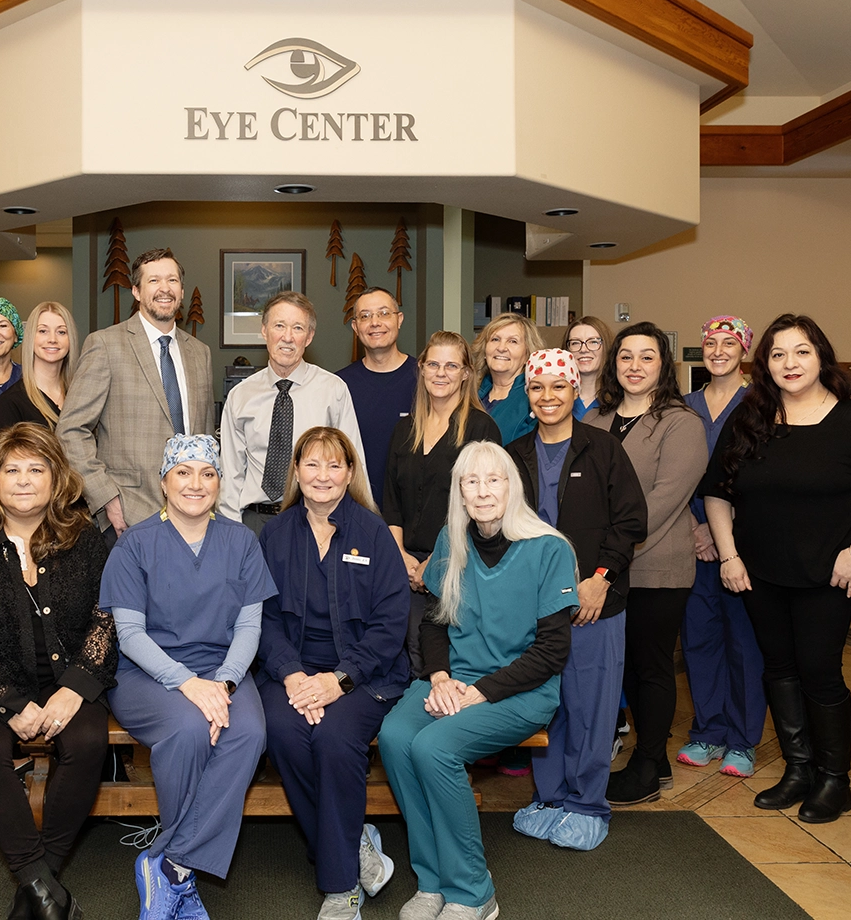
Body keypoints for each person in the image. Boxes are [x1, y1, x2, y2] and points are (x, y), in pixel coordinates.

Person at [702, 314, 851, 823]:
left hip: (828, 577)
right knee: (778, 670)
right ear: (765, 366)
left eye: (801, 351)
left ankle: (833, 780)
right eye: (778, 354)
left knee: (820, 674)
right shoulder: (750, 419)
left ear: (821, 356)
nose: (789, 363)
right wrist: (730, 554)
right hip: (759, 575)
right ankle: (798, 769)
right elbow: (716, 492)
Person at [379, 441, 576, 920]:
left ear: (512, 486)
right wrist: (442, 677)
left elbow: (552, 651)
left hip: (520, 690)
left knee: (435, 748)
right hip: (454, 678)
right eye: (472, 481)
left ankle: (473, 892)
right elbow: (433, 620)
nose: (483, 491)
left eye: (494, 479)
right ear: (460, 492)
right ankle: (432, 882)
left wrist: (479, 693)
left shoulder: (550, 548)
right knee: (396, 737)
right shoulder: (453, 538)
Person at [0, 423, 115, 920]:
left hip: (68, 683)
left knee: (87, 744)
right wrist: (10, 702)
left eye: (37, 469)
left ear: (57, 479)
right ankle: (45, 889)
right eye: (11, 469)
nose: (24, 480)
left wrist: (74, 689)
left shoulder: (84, 540)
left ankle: (37, 884)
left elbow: (108, 618)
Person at [100, 434, 278, 920]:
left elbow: (249, 626)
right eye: (183, 472)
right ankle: (182, 872)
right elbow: (130, 634)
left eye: (207, 473)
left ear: (220, 484)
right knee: (186, 730)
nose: (195, 483)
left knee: (248, 732)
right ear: (164, 482)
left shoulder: (241, 541)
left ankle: (172, 866)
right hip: (147, 674)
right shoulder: (135, 543)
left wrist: (223, 683)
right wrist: (187, 683)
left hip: (226, 672)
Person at [258, 426, 410, 920]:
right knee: (282, 730)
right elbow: (260, 617)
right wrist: (293, 675)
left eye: (334, 465)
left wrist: (338, 681)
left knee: (333, 740)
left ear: (349, 473)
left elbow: (390, 627)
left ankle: (341, 885)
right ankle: (352, 842)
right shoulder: (276, 533)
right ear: (296, 472)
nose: (322, 476)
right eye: (312, 465)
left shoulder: (373, 533)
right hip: (292, 674)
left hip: (366, 675)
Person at [507, 349, 647, 850]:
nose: (548, 396)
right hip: (535, 604)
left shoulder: (603, 448)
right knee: (546, 703)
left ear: (574, 392)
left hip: (594, 602)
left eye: (558, 387)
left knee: (590, 704)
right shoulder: (515, 453)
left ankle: (588, 803)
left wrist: (601, 578)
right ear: (528, 395)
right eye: (538, 387)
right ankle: (549, 798)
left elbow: (630, 520)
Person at [585, 322, 708, 805]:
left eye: (647, 357)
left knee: (652, 665)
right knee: (626, 669)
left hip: (656, 565)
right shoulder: (596, 419)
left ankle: (647, 762)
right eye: (626, 357)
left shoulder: (681, 422)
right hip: (605, 568)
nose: (634, 366)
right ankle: (653, 760)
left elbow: (664, 501)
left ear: (664, 365)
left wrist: (608, 550)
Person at [58, 248, 215, 540]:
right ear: (136, 291)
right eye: (154, 281)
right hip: (128, 516)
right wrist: (107, 499)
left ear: (181, 291)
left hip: (191, 514)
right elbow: (70, 430)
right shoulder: (105, 344)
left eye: (172, 280)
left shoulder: (200, 353)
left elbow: (204, 438)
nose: (165, 288)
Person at [677, 316, 765, 779]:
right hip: (690, 541)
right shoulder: (685, 406)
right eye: (710, 342)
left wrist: (719, 530)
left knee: (744, 642)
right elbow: (673, 473)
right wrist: (695, 526)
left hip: (739, 545)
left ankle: (742, 740)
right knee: (699, 638)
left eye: (728, 343)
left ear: (743, 351)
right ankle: (707, 731)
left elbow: (761, 478)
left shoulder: (760, 405)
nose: (717, 350)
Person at [382, 331, 500, 676]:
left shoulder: (482, 428)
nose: (441, 372)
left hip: (457, 561)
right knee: (404, 651)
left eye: (452, 365)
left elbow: (482, 502)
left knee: (440, 655)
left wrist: (434, 562)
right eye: (433, 364)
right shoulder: (404, 428)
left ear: (466, 373)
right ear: (421, 368)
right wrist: (399, 554)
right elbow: (391, 498)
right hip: (403, 564)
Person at [220, 291, 366, 533]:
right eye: (279, 325)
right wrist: (232, 534)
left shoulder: (333, 391)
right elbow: (231, 473)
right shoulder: (240, 396)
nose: (287, 337)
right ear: (264, 330)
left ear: (309, 337)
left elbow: (354, 464)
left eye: (298, 328)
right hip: (254, 523)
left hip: (317, 521)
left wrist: (350, 525)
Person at [335, 287, 416, 509]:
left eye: (383, 313)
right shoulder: (338, 386)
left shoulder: (426, 379)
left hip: (413, 515)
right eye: (365, 316)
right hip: (354, 510)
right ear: (355, 327)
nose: (375, 322)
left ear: (399, 319)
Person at [0, 301, 79, 431]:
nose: (52, 339)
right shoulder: (10, 403)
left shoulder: (80, 397)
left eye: (61, 332)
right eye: (43, 331)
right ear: (31, 338)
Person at [471, 312, 543, 444]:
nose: (501, 348)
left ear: (527, 354)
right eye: (495, 339)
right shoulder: (470, 393)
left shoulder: (534, 398)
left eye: (513, 341)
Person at [563, 316, 613, 419]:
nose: (584, 350)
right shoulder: (556, 397)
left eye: (593, 342)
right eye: (575, 343)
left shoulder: (620, 399)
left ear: (607, 347)